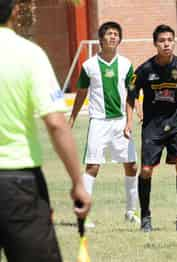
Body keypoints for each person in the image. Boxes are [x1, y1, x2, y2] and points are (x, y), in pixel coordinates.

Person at [0, 1, 91, 261]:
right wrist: (78, 183)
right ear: (15, 11)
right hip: (17, 184)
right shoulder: (29, 54)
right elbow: (55, 123)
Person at [125, 24, 177, 232]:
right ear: (155, 44)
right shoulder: (144, 70)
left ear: (174, 42)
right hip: (152, 127)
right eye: (162, 41)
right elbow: (131, 96)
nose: (166, 44)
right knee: (145, 170)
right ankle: (145, 217)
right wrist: (128, 123)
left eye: (169, 40)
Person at [69, 21, 139, 227]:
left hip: (120, 123)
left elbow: (132, 94)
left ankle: (131, 211)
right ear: (101, 39)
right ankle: (84, 215)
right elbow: (81, 92)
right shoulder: (89, 65)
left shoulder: (126, 64)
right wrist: (72, 117)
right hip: (98, 122)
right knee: (92, 167)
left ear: (120, 39)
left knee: (132, 166)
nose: (113, 37)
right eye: (109, 34)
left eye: (116, 34)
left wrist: (131, 119)